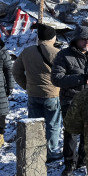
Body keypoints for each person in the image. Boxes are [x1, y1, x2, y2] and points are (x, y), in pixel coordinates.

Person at [51, 26, 88, 176]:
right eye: (83, 39)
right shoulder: (64, 55)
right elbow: (57, 78)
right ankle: (69, 163)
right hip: (70, 99)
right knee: (71, 132)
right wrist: (82, 78)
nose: (87, 42)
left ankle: (83, 160)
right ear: (76, 40)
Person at [13, 23, 62, 161]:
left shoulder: (27, 52)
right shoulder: (57, 53)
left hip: (33, 94)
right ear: (52, 37)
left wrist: (27, 86)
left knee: (34, 124)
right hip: (51, 95)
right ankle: (51, 152)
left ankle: (34, 151)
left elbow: (16, 71)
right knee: (53, 124)